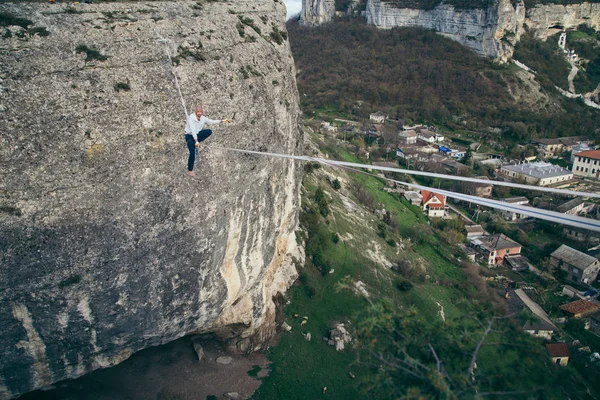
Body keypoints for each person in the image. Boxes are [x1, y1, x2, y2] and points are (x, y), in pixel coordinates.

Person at [184, 104, 228, 176]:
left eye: (201, 112)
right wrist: (196, 141)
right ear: (196, 111)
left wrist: (222, 121)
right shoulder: (191, 118)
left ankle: (196, 142)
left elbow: (211, 121)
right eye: (198, 112)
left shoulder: (203, 118)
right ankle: (190, 170)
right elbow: (192, 130)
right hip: (190, 136)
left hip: (197, 135)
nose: (199, 113)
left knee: (209, 131)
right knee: (192, 153)